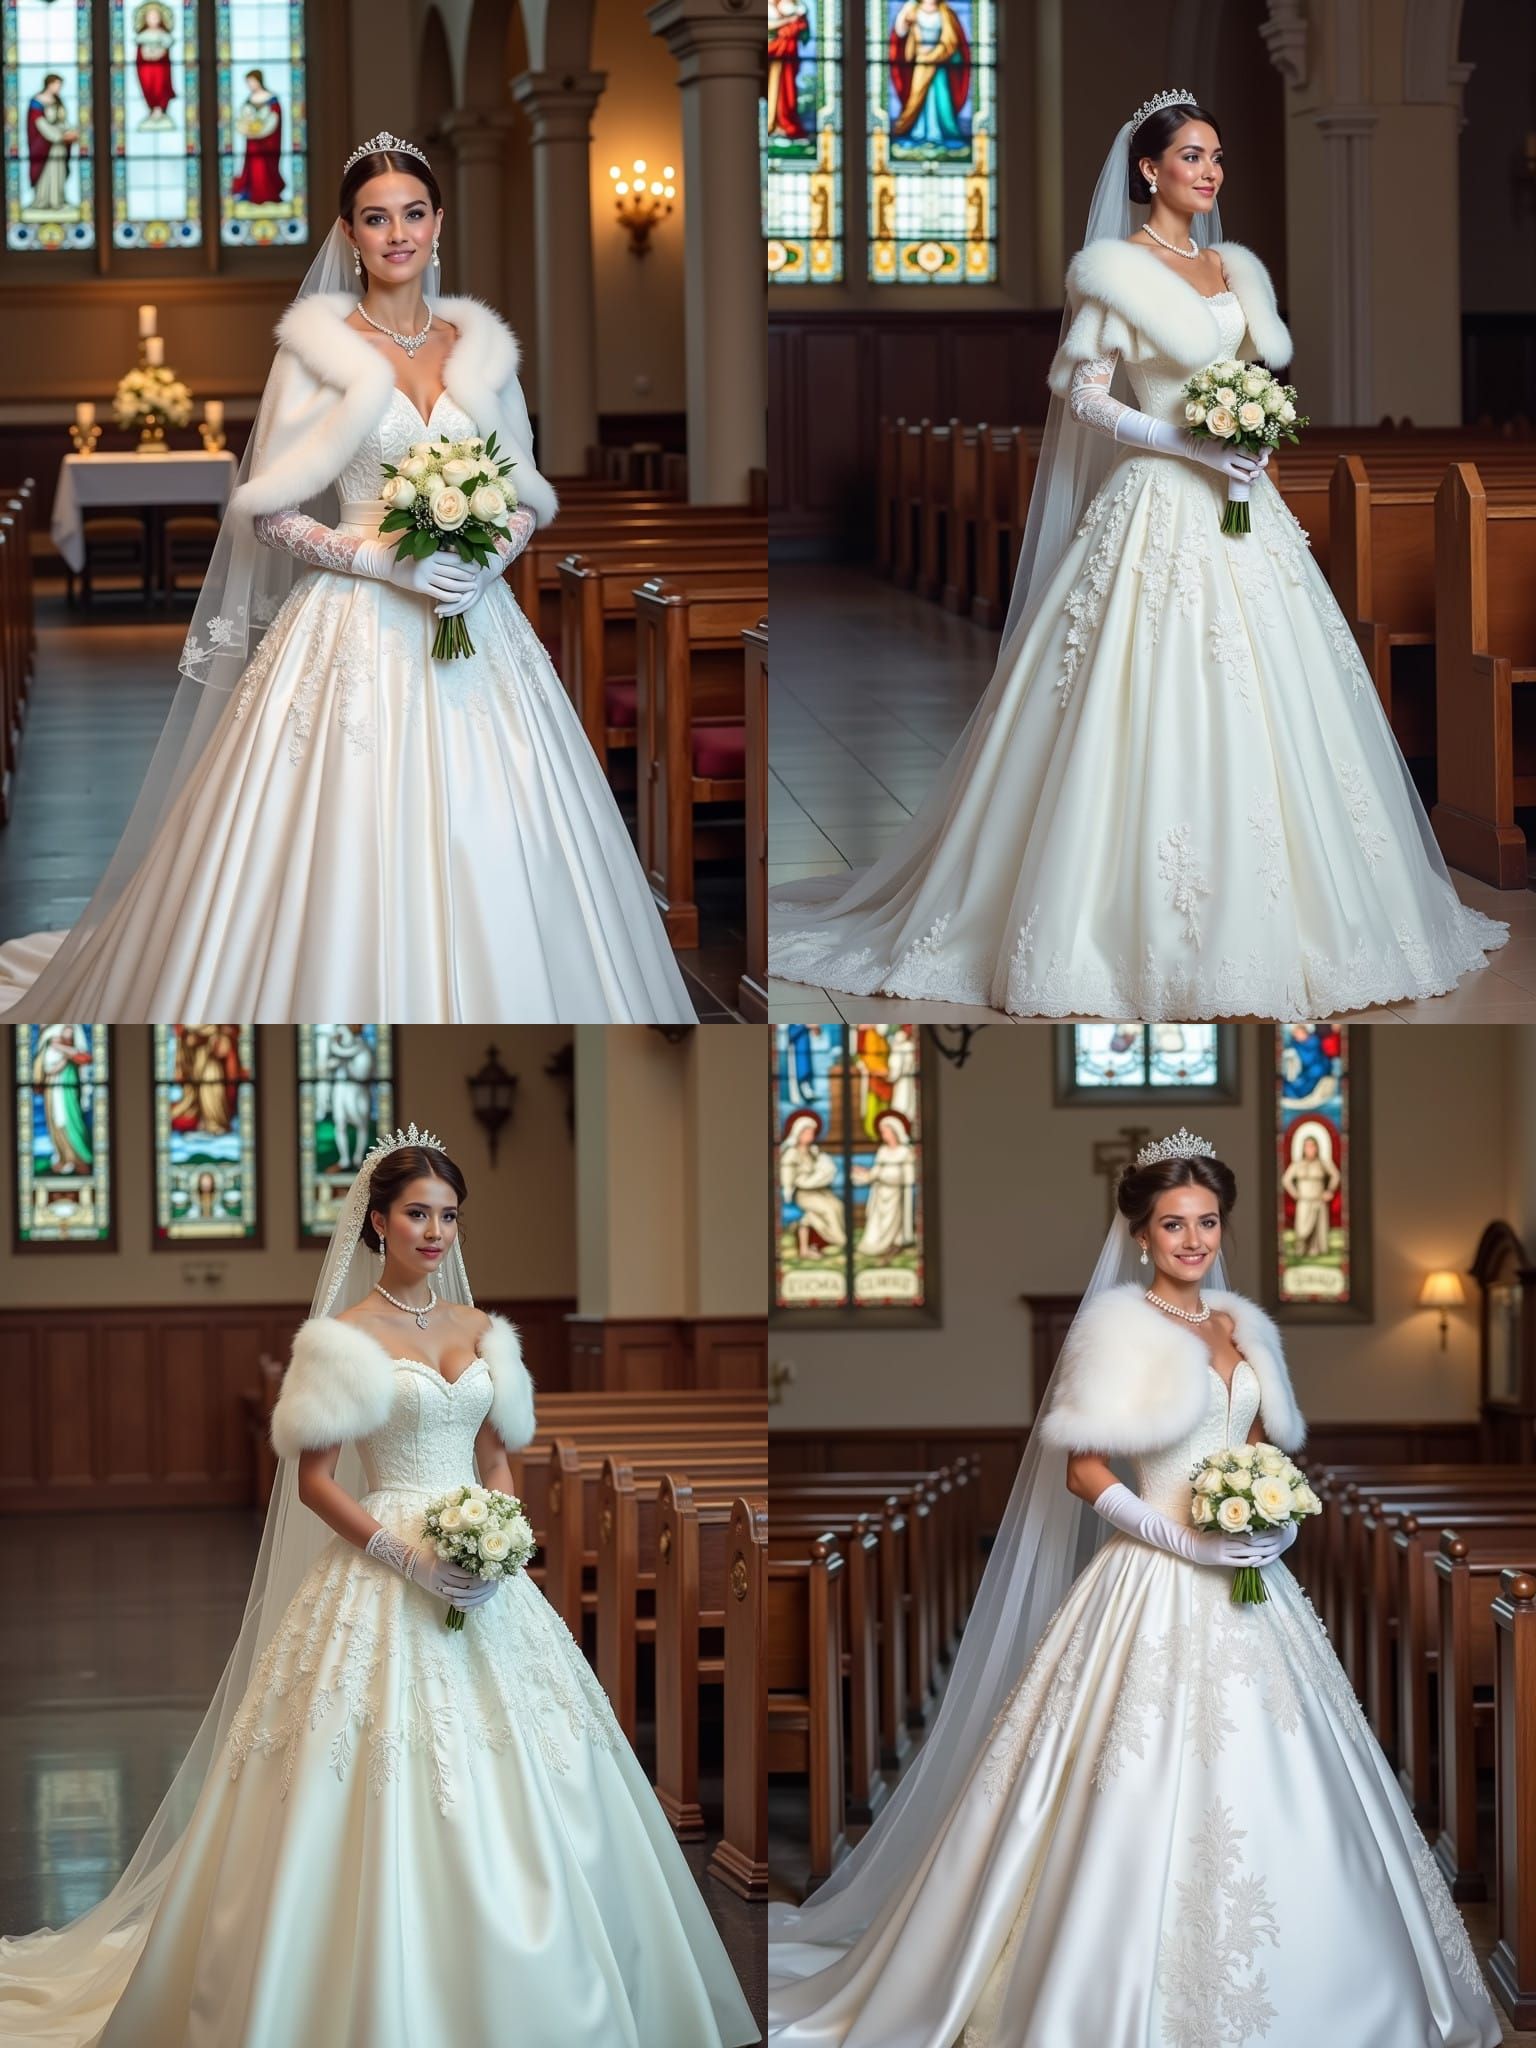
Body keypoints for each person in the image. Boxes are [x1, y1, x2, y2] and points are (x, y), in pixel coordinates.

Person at [0, 1127, 759, 2048]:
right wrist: (407, 1559)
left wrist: (503, 1539)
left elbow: (496, 1456)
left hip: (487, 1579)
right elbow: (317, 1479)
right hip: (384, 1562)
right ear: (378, 1221)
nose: (436, 1232)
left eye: (448, 1216)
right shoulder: (342, 1339)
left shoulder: (484, 1332)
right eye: (418, 1214)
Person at [769, 89, 1507, 1021]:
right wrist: (1183, 443)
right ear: (1149, 170)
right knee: (1138, 694)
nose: (1211, 171)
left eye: (1218, 157)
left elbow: (1248, 379)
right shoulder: (1113, 271)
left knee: (1283, 700)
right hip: (1158, 501)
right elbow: (1085, 398)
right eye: (1194, 156)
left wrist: (1251, 443)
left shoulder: (1233, 267)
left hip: (1244, 508)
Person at [767, 1129, 1500, 2045]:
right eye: (1172, 1224)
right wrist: (1179, 1538)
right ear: (1140, 1235)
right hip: (1150, 1579)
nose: (1192, 1240)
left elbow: (1258, 1450)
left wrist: (1266, 1517)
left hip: (1252, 1587)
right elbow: (1083, 1469)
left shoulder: (1241, 1326)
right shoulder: (1116, 1327)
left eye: (1206, 1222)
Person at [0, 132, 694, 1025]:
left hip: (473, 618)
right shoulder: (316, 353)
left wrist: (486, 567)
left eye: (412, 214)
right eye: (376, 219)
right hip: (353, 616)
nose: (397, 234)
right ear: (349, 233)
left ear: (438, 224)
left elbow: (524, 493)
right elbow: (269, 511)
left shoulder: (480, 350)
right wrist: (376, 558)